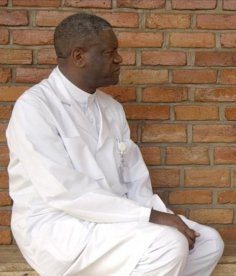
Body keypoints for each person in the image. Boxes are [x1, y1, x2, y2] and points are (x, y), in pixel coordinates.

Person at [6, 13, 224, 276]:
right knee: (168, 245)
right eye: (110, 52)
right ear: (79, 56)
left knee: (208, 242)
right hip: (59, 226)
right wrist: (152, 218)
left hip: (115, 222)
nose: (119, 59)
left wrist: (162, 216)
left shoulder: (112, 109)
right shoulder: (35, 107)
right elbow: (65, 192)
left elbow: (135, 183)